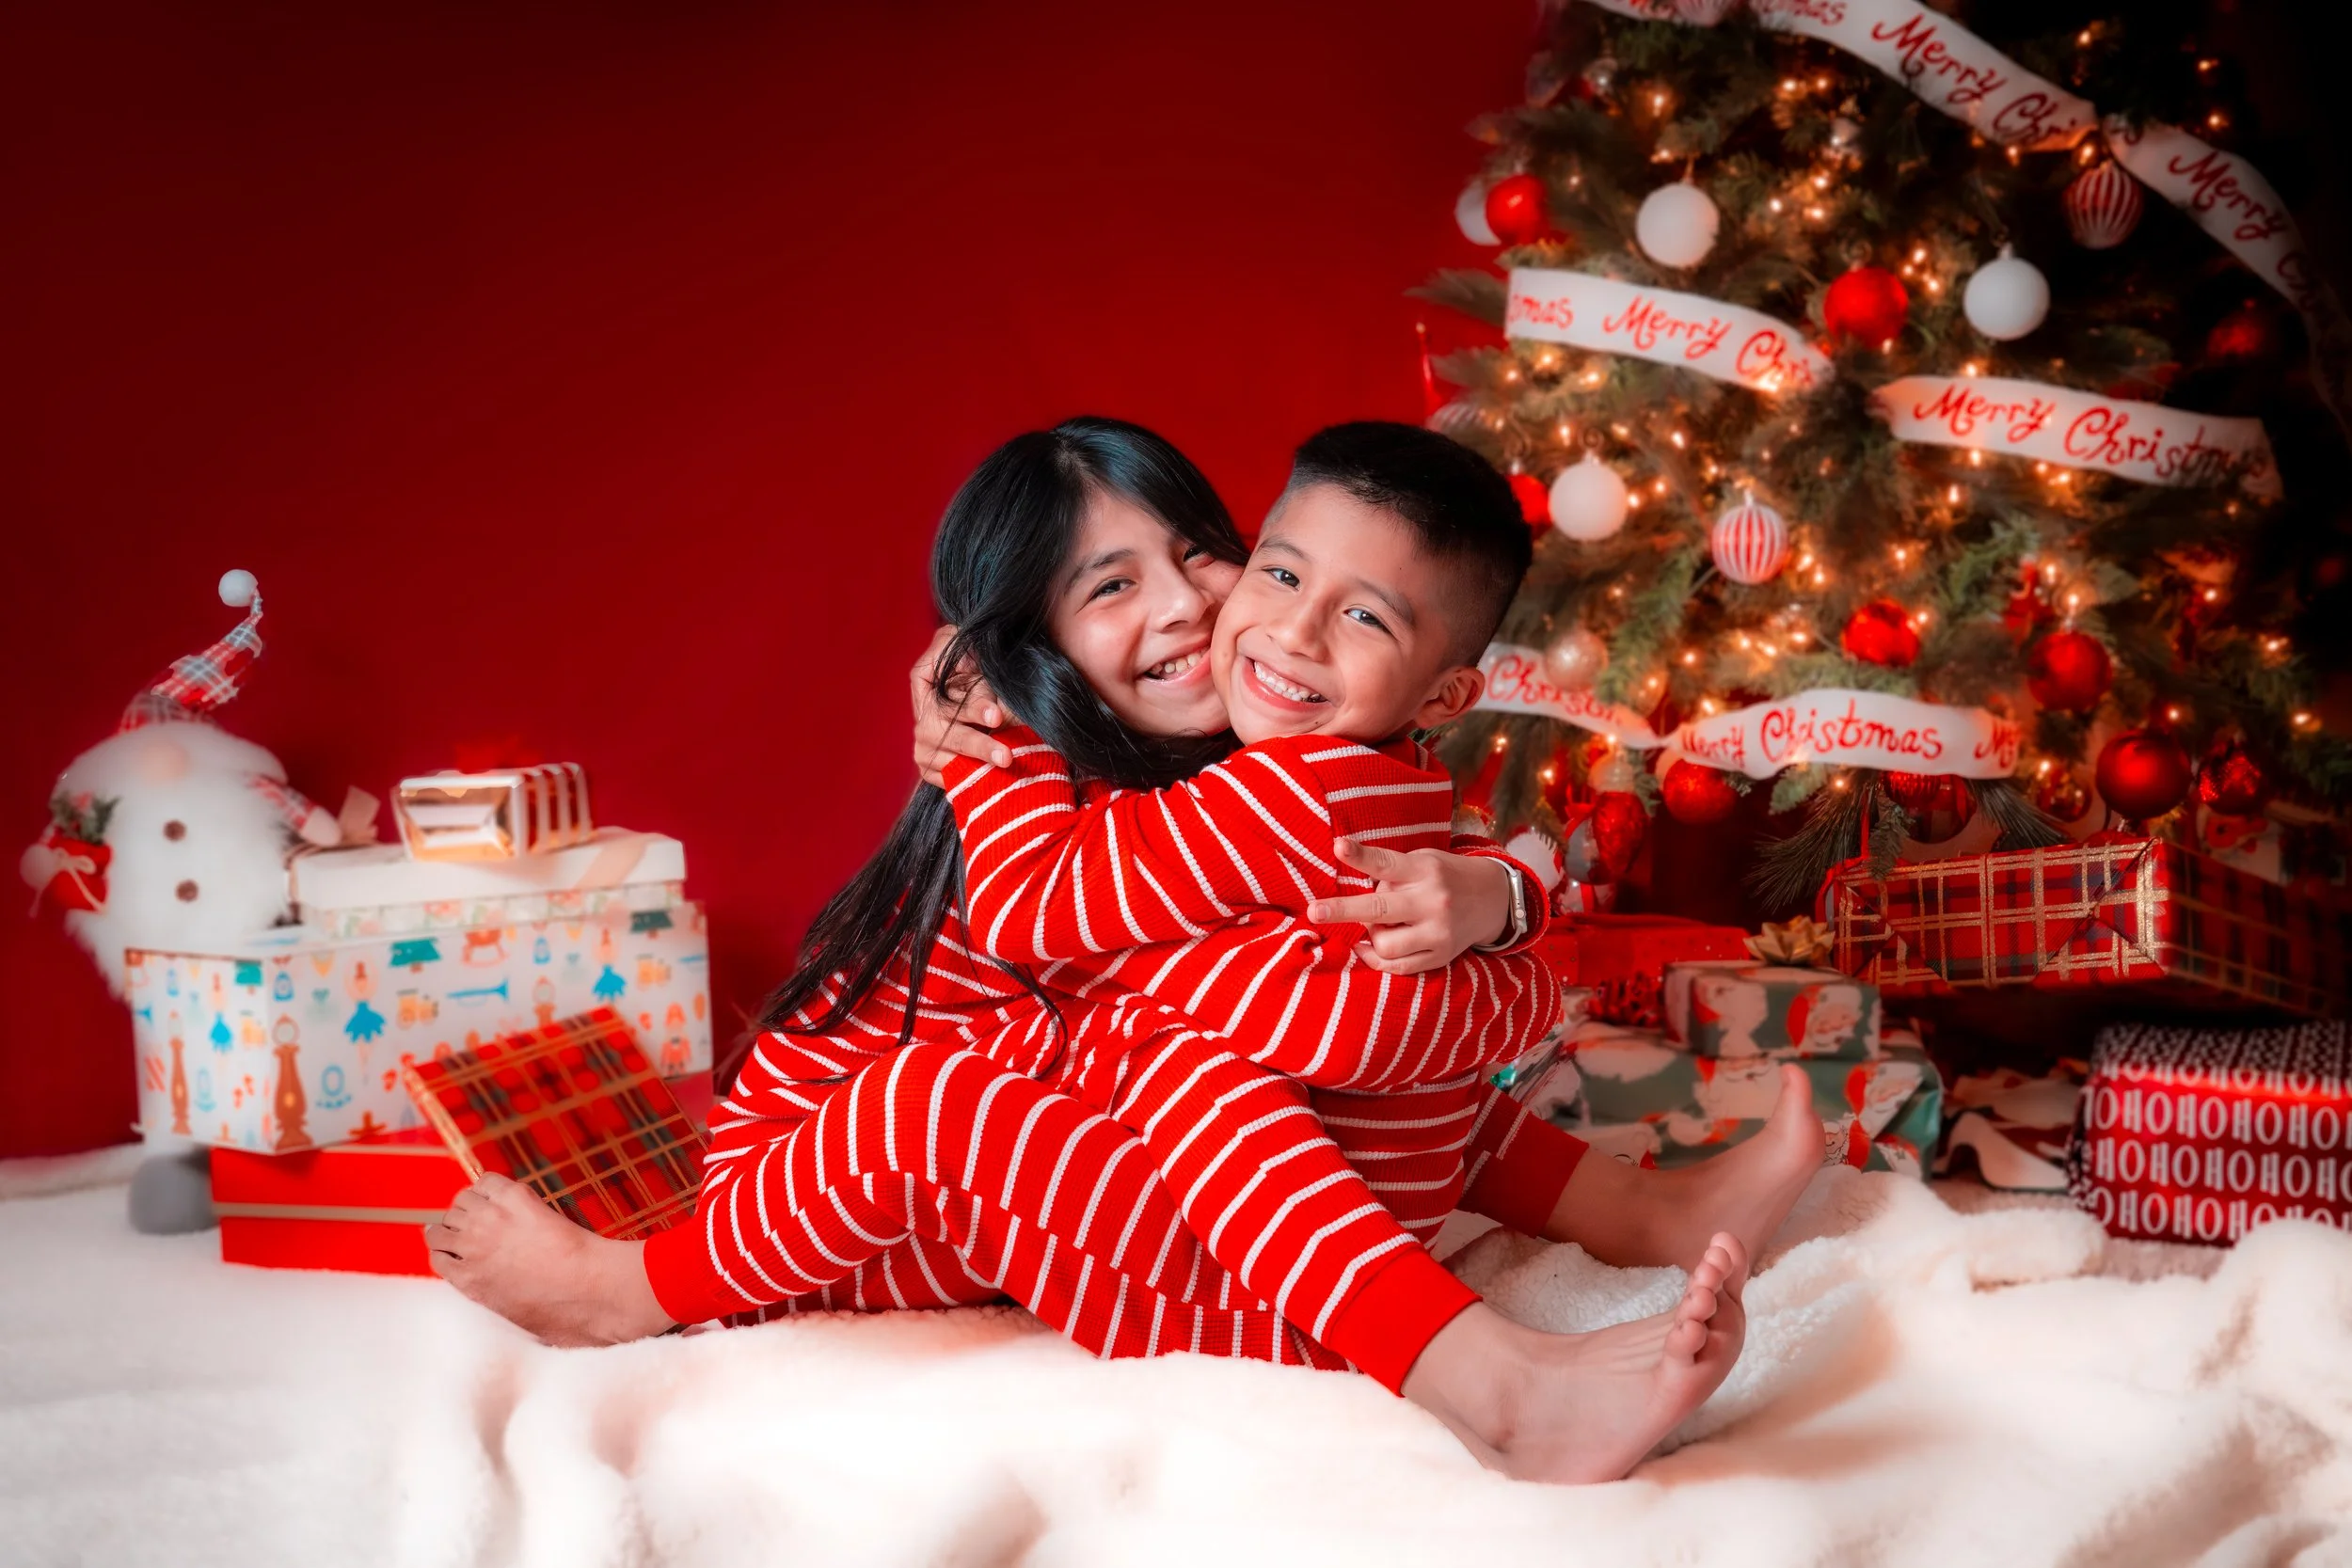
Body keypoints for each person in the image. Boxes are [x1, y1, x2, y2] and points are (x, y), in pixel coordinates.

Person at [426, 418, 1823, 1484]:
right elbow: (1312, 1021)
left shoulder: (1269, 763)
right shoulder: (1057, 801)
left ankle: (1646, 1219)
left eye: (1195, 554)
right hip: (824, 1195)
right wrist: (992, 768)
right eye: (1108, 585)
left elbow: (1383, 1030)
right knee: (1169, 1062)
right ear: (1017, 649)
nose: (1185, 608)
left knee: (1249, 1060)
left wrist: (1493, 905)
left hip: (1053, 1189)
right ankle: (624, 1292)